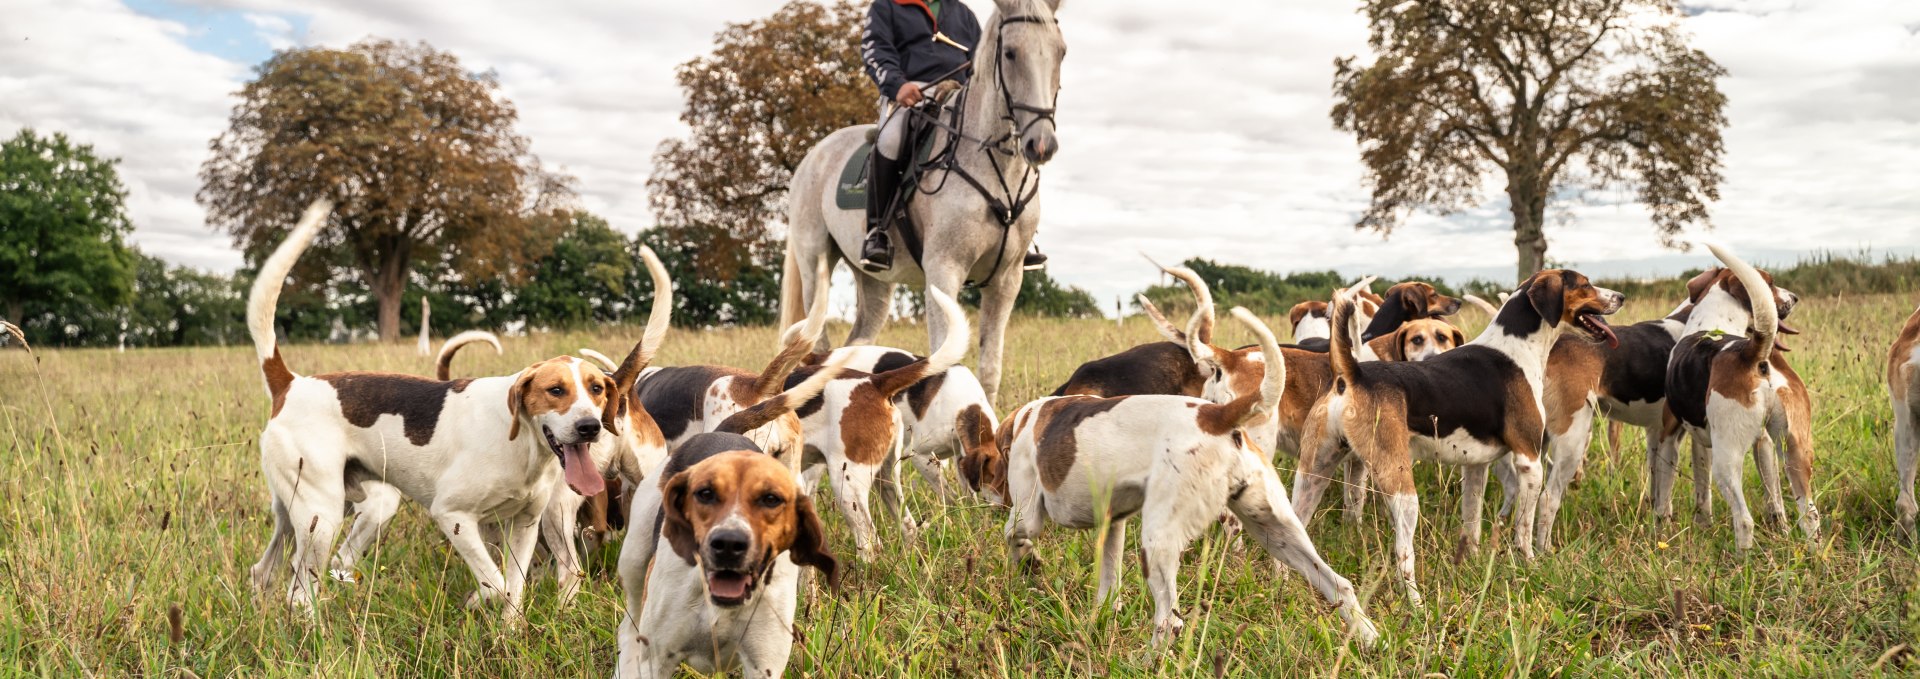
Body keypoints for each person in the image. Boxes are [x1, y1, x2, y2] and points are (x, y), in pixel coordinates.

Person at [860, 0, 1045, 273]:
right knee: (890, 140)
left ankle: (1020, 234)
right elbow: (875, 51)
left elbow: (983, 62)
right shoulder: (887, 7)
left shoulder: (963, 14)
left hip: (962, 95)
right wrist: (897, 85)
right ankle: (877, 232)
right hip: (913, 93)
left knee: (1008, 140)